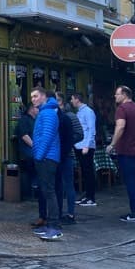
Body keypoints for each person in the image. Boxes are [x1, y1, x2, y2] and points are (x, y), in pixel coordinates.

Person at [106, 85, 135, 222]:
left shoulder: (122, 109)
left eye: (117, 94)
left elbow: (121, 126)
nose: (115, 96)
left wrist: (112, 144)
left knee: (130, 182)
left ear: (124, 94)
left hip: (127, 150)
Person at [31, 87, 62, 241]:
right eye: (32, 97)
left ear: (43, 96)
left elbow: (47, 136)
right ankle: (50, 224)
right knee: (46, 191)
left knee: (49, 192)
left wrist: (39, 155)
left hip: (47, 158)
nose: (33, 99)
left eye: (36, 96)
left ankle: (54, 226)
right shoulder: (45, 112)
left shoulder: (48, 113)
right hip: (46, 157)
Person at [15, 102, 44, 221]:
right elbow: (24, 136)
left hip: (35, 149)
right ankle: (34, 186)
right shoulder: (24, 120)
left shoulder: (36, 120)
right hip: (27, 150)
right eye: (37, 108)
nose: (38, 111)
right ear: (32, 109)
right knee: (35, 160)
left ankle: (37, 185)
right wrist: (35, 147)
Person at [54, 93, 77, 225]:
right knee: (59, 185)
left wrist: (69, 144)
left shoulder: (69, 116)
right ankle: (59, 212)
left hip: (67, 154)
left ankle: (70, 213)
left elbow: (79, 133)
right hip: (58, 155)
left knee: (68, 184)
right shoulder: (54, 116)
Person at [71, 92, 97, 207]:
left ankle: (91, 197)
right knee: (84, 172)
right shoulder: (79, 112)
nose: (71, 101)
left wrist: (87, 145)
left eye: (72, 99)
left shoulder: (88, 112)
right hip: (79, 145)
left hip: (86, 146)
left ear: (77, 99)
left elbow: (91, 129)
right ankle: (87, 195)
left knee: (88, 171)